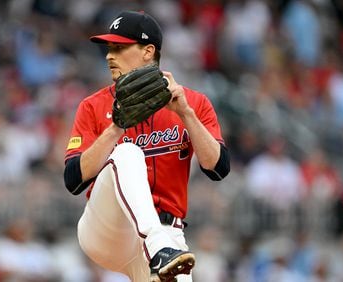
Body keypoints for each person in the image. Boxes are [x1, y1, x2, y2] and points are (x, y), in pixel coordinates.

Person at [63, 10, 230, 282]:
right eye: (108, 48)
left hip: (168, 229)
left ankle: (159, 250)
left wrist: (186, 114)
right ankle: (158, 246)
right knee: (128, 153)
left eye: (119, 47)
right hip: (109, 229)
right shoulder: (93, 106)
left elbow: (218, 168)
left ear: (148, 51)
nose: (108, 55)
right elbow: (73, 180)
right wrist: (116, 127)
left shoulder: (193, 103)